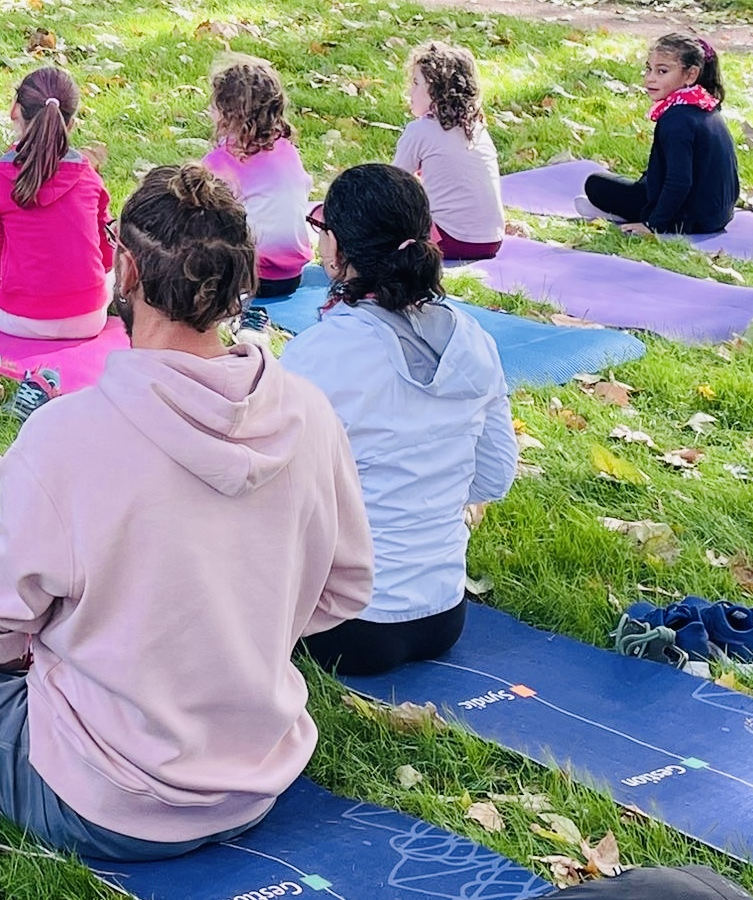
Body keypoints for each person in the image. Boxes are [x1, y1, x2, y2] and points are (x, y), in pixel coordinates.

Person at [0, 164, 374, 861]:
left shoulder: (70, 436)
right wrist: (234, 635)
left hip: (102, 800)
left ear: (127, 270)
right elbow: (345, 588)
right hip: (255, 778)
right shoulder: (309, 412)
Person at [280, 163, 518, 677]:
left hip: (345, 625)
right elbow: (494, 477)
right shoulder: (473, 339)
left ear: (337, 249)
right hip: (443, 614)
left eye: (321, 229)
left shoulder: (320, 354)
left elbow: (276, 498)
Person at [0, 67, 113, 341]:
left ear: (15, 110)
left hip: (23, 320)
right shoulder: (89, 177)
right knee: (120, 258)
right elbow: (106, 256)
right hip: (90, 319)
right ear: (71, 124)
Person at [576, 34, 738, 236]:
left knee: (596, 183)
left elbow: (679, 181)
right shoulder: (705, 106)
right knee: (645, 180)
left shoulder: (676, 120)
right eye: (648, 69)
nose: (650, 78)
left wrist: (653, 225)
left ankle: (630, 215)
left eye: (662, 71)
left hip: (689, 219)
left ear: (690, 75)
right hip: (718, 215)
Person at [203, 54, 313, 299]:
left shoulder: (220, 162)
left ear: (228, 113)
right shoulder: (287, 149)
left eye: (214, 104)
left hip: (250, 278)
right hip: (292, 275)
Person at [394, 41, 504, 261]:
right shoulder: (477, 129)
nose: (410, 91)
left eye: (416, 83)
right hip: (491, 241)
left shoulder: (420, 130)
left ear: (437, 91)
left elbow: (392, 184)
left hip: (447, 240)